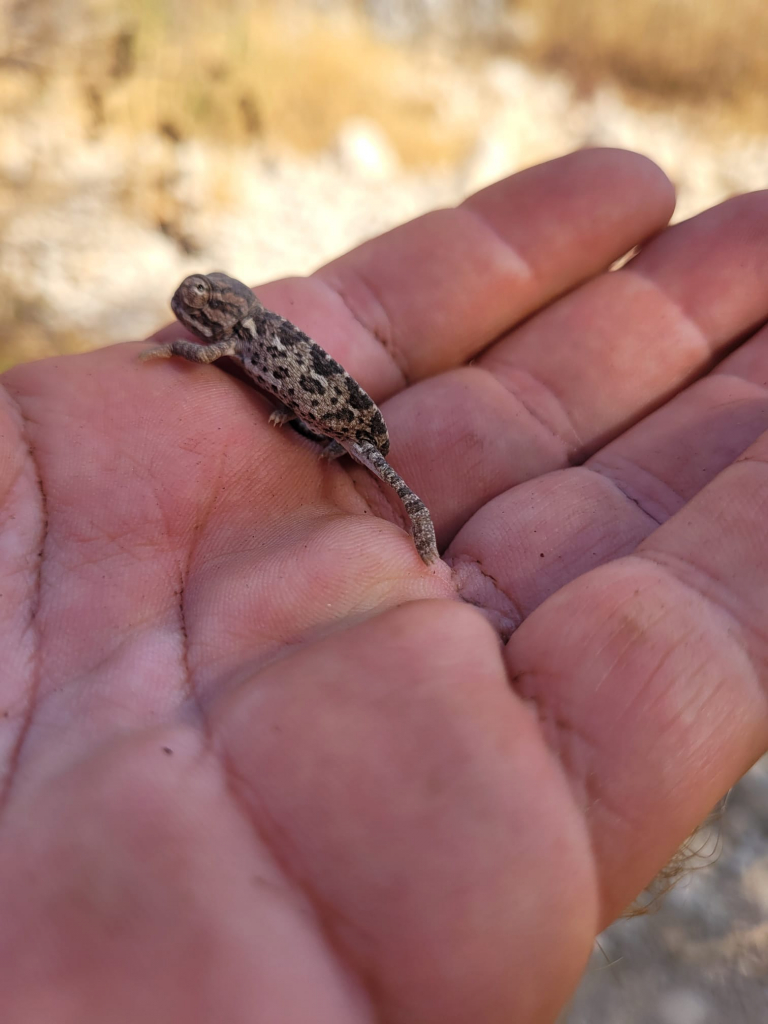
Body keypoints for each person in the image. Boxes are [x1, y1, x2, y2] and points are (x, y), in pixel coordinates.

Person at [1, 147, 766, 1023]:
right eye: (200, 303)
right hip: (332, 417)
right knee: (370, 463)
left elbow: (221, 357)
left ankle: (409, 522)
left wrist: (201, 365)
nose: (198, 309)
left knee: (389, 480)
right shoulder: (250, 330)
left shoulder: (238, 336)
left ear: (227, 306)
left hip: (343, 423)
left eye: (206, 302)